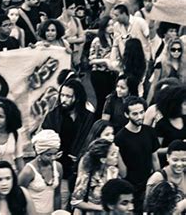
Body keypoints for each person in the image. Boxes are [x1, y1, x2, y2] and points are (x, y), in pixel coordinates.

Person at [42, 79, 95, 209]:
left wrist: (82, 153)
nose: (64, 99)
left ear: (77, 98)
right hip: (62, 170)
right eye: (62, 95)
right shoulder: (53, 116)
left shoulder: (88, 117)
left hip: (83, 171)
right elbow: (43, 141)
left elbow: (93, 141)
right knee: (62, 204)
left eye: (68, 96)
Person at [114, 96, 160, 213]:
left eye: (141, 112)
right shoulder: (120, 138)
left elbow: (154, 159)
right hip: (131, 187)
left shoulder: (149, 132)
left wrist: (158, 181)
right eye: (135, 114)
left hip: (148, 184)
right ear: (126, 115)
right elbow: (122, 171)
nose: (140, 117)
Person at [19, 129, 62, 215]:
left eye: (55, 154)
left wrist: (57, 212)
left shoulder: (58, 167)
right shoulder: (28, 171)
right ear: (39, 152)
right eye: (48, 155)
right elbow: (18, 197)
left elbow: (57, 194)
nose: (53, 158)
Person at [71, 139, 120, 213]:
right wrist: (101, 208)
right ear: (103, 160)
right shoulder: (87, 176)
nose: (116, 156)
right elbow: (75, 202)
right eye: (112, 154)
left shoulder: (113, 171)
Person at [145, 139, 186, 209]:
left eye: (183, 160)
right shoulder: (158, 178)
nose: (179, 164)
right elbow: (147, 208)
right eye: (175, 160)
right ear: (168, 157)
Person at [89, 16, 116, 115]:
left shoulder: (114, 39)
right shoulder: (97, 41)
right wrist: (105, 61)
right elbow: (91, 60)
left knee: (110, 100)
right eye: (108, 25)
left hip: (111, 73)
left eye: (112, 25)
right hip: (98, 73)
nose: (111, 27)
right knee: (102, 101)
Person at [58, 2, 86, 70]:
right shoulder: (57, 22)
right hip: (63, 52)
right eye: (71, 8)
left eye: (75, 8)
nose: (74, 10)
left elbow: (82, 37)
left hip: (76, 52)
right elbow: (57, 40)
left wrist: (71, 40)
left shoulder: (76, 20)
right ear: (64, 9)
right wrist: (65, 37)